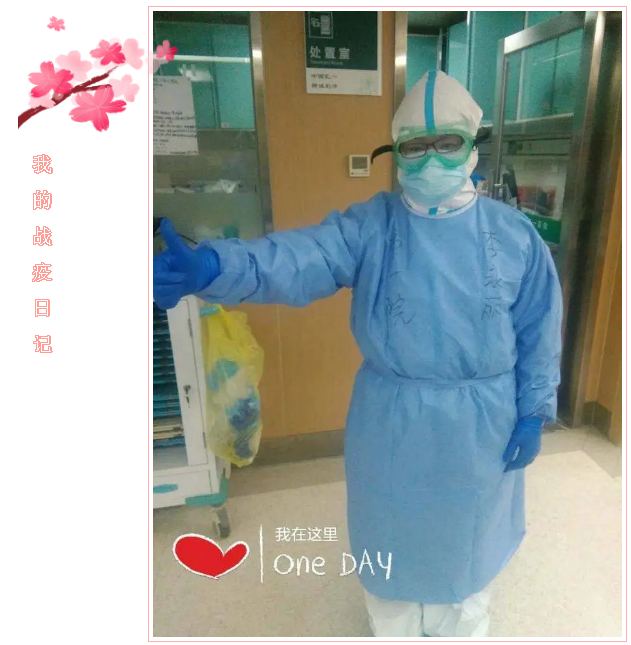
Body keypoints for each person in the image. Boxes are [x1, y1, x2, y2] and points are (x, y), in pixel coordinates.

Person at [153, 70, 562, 638]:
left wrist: (534, 409)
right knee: (391, 525)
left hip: (481, 420)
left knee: (466, 535)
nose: (432, 159)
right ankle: (393, 627)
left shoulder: (514, 235)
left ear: (473, 145)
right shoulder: (372, 227)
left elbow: (540, 328)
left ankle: (460, 628)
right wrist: (216, 266)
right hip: (392, 414)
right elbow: (298, 258)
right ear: (395, 153)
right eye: (415, 147)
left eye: (447, 142)